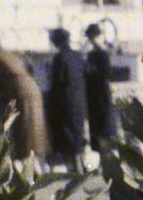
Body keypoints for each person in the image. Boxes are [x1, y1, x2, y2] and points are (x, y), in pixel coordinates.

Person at [0, 35, 49, 161]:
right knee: (35, 129)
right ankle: (36, 161)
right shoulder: (11, 55)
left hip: (20, 92)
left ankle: (28, 163)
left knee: (24, 131)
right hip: (33, 89)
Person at [43, 26, 89, 169]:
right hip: (80, 103)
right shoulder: (78, 56)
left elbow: (57, 84)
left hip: (65, 104)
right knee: (77, 136)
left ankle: (75, 170)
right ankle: (81, 167)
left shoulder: (60, 58)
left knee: (68, 139)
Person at [82, 24, 118, 157]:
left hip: (101, 97)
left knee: (105, 131)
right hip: (95, 98)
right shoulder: (92, 55)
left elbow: (106, 75)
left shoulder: (102, 55)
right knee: (98, 133)